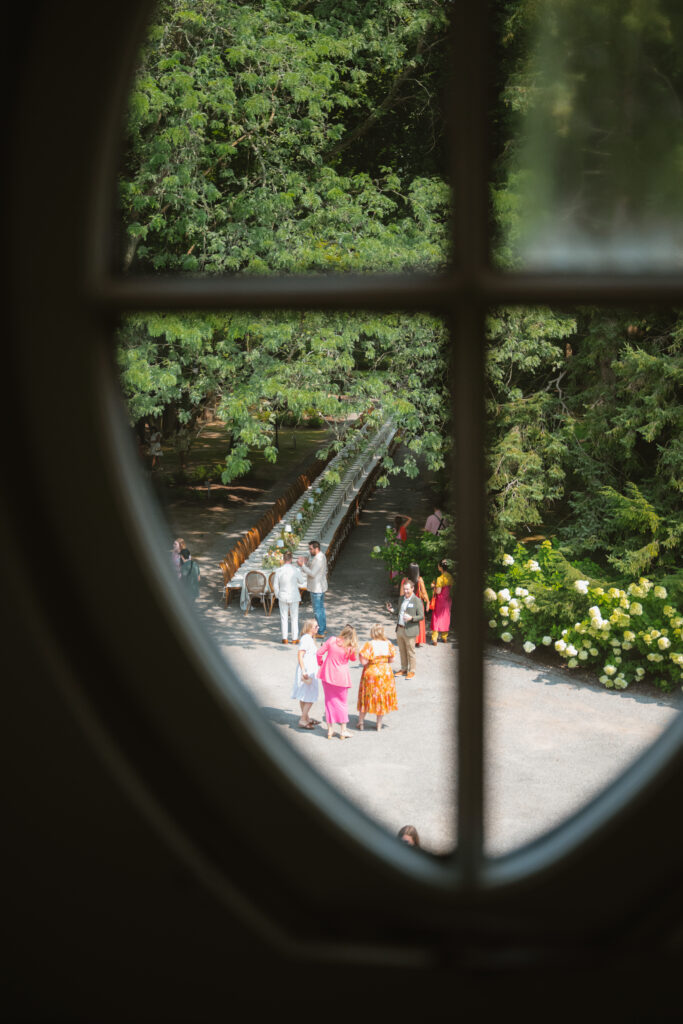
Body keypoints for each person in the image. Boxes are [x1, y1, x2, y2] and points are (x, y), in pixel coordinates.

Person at [316, 625, 358, 740]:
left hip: (327, 674)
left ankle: (330, 730)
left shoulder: (331, 640)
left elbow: (319, 653)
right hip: (342, 677)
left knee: (329, 702)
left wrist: (320, 663)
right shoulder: (350, 647)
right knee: (342, 703)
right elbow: (353, 659)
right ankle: (343, 730)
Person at [357, 624, 397, 732]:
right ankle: (379, 725)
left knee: (366, 696)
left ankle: (361, 722)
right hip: (385, 672)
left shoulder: (369, 644)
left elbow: (363, 662)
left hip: (372, 671)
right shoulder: (388, 643)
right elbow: (392, 660)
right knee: (381, 698)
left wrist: (360, 655)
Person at [386, 579, 424, 679]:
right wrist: (391, 610)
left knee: (410, 651)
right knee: (402, 650)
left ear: (412, 588)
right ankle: (403, 669)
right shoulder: (401, 598)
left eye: (407, 589)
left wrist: (412, 618)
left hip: (410, 630)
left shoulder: (417, 600)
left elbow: (421, 616)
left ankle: (412, 671)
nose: (405, 591)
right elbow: (398, 611)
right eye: (404, 589)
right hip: (400, 629)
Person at [291, 618, 321, 730]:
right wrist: (303, 670)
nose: (317, 628)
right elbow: (300, 655)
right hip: (307, 670)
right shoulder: (306, 639)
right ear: (310, 628)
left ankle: (306, 717)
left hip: (309, 669)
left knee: (304, 695)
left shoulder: (309, 638)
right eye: (315, 627)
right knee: (311, 696)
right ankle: (303, 719)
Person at [297, 541, 328, 638]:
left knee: (317, 611)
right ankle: (323, 628)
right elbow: (313, 567)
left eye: (311, 549)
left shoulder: (319, 559)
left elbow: (312, 573)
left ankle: (321, 632)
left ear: (316, 548)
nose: (309, 551)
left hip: (316, 588)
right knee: (321, 609)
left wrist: (302, 566)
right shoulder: (319, 556)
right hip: (319, 587)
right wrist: (306, 563)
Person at [273, 550, 302, 644]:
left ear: (283, 559)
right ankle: (294, 638)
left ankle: (284, 638)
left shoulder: (278, 570)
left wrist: (278, 595)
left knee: (283, 617)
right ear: (291, 559)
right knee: (294, 617)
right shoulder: (296, 570)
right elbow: (301, 581)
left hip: (283, 595)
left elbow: (275, 585)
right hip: (293, 595)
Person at [401, 562, 429, 647]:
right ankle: (417, 640)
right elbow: (424, 593)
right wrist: (428, 602)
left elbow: (402, 594)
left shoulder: (405, 580)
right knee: (418, 621)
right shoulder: (420, 580)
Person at [430, 559, 454, 645]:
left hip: (440, 600)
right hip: (448, 600)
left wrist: (433, 587)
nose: (438, 566)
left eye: (438, 565)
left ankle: (435, 639)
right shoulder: (450, 577)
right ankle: (444, 637)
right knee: (446, 617)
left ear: (440, 567)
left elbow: (438, 591)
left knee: (436, 617)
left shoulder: (440, 578)